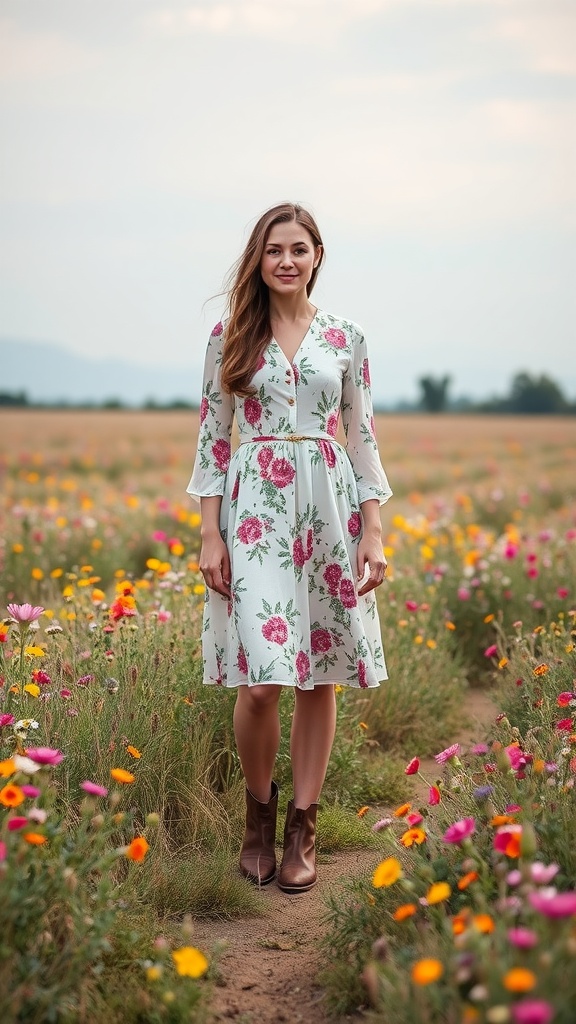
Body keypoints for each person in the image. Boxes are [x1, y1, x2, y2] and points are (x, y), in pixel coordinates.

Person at [187, 202, 392, 893]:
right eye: (274, 249)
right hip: (256, 516)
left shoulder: (347, 336)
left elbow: (361, 438)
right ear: (260, 257)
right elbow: (214, 441)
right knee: (263, 680)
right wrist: (210, 532)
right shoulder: (230, 335)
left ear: (316, 255)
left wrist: (374, 529)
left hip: (331, 508)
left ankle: (304, 826)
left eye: (298, 249)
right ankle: (258, 817)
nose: (286, 261)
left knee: (321, 672)